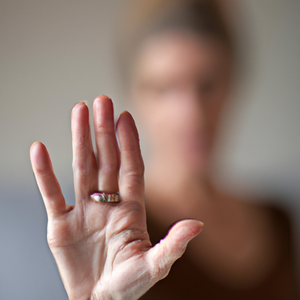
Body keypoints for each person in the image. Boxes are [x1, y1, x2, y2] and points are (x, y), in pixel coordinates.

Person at [30, 0, 299, 299]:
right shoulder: (111, 233)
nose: (191, 115)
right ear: (134, 94)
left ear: (233, 84)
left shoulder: (278, 222)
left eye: (207, 84)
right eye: (164, 88)